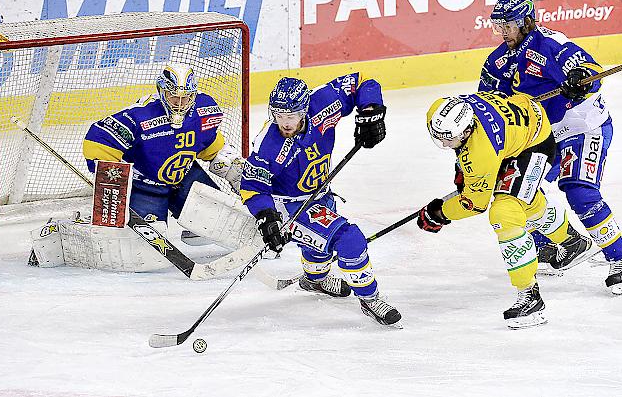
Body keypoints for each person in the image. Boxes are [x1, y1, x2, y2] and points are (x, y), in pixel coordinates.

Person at [479, 0, 622, 294]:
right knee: (515, 189)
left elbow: (593, 73)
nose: (502, 32)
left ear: (525, 21)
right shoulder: (497, 61)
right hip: (542, 136)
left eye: (507, 26)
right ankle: (560, 243)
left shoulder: (550, 44)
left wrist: (578, 82)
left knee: (579, 191)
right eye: (499, 26)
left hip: (582, 127)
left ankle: (621, 258)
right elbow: (488, 102)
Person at [239, 76, 401, 326]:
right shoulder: (268, 145)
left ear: (305, 108)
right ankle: (371, 298)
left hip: (321, 193)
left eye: (291, 115)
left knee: (318, 250)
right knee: (349, 238)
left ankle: (313, 280)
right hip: (290, 205)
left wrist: (371, 111)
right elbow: (252, 186)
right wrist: (267, 217)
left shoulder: (324, 102)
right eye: (279, 115)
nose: (284, 122)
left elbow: (363, 82)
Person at [417, 91, 583, 329]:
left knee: (505, 212)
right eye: (439, 137)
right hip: (518, 129)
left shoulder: (481, 153)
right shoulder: (441, 110)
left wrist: (440, 213)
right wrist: (464, 169)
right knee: (523, 196)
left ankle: (531, 297)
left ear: (466, 131)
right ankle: (571, 242)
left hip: (536, 144)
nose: (443, 143)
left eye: (449, 140)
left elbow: (474, 204)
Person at [83, 62, 244, 228]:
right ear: (161, 91)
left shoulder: (204, 109)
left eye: (186, 97)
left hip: (185, 177)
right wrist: (113, 184)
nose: (179, 103)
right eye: (173, 96)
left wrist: (239, 176)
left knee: (221, 221)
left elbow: (208, 143)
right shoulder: (140, 116)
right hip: (144, 185)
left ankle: (196, 222)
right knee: (147, 239)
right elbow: (98, 140)